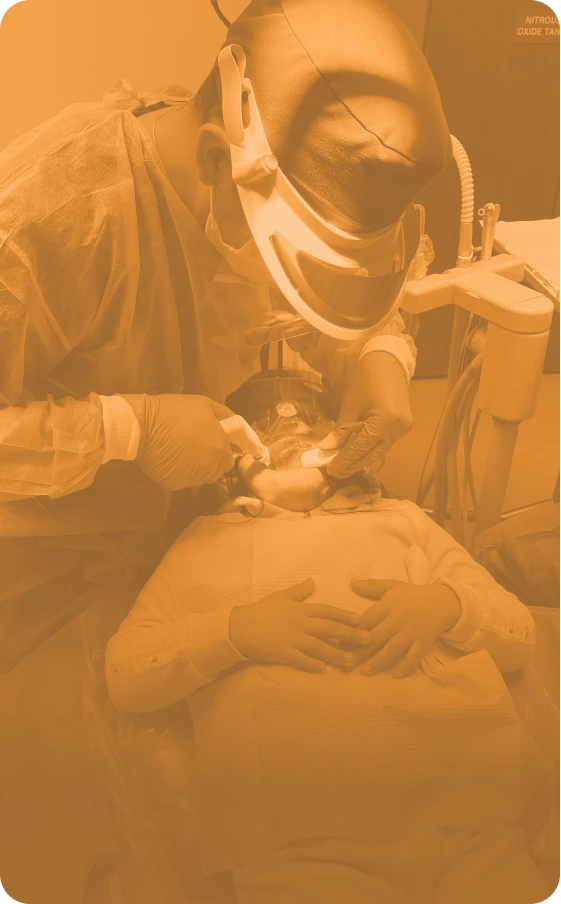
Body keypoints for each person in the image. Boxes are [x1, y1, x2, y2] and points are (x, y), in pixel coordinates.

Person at [104, 398, 550, 904]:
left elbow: (518, 632)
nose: (292, 424)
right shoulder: (207, 539)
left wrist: (446, 606)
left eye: (309, 424)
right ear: (231, 470)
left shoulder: (401, 520)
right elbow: (126, 672)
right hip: (301, 835)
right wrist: (236, 632)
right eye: (271, 428)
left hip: (467, 819)